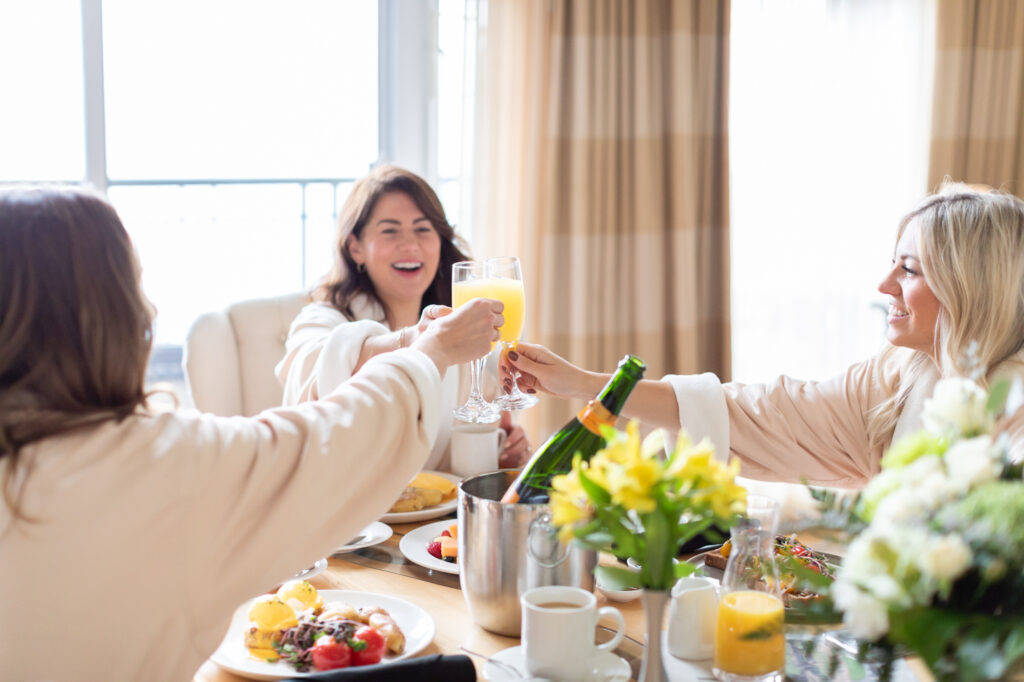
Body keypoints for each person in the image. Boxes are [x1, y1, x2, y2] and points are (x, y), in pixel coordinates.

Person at [0, 186, 503, 681]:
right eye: (135, 288)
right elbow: (331, 439)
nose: (150, 312)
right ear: (110, 318)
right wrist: (425, 351)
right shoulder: (170, 464)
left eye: (422, 229)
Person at [503, 183, 1024, 487]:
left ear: (969, 286)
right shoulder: (904, 374)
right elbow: (762, 413)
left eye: (909, 270)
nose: (883, 285)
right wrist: (584, 383)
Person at [276, 164, 530, 470]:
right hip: (350, 514)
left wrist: (504, 452)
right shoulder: (323, 317)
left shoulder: (458, 333)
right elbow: (309, 370)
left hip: (432, 514)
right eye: (390, 231)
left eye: (423, 229)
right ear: (356, 247)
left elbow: (470, 444)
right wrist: (416, 341)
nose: (410, 245)